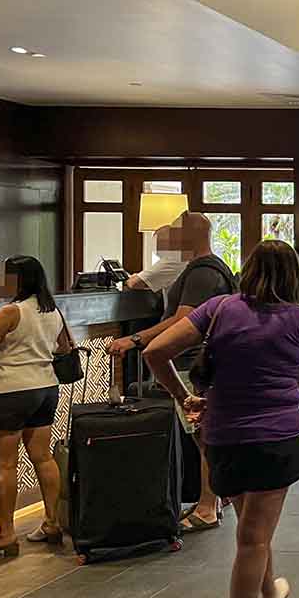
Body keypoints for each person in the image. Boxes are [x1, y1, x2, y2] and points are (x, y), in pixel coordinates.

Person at [145, 240, 299, 598]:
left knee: (252, 528)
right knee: (252, 538)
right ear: (294, 276)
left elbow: (155, 351)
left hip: (222, 438)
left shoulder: (218, 308)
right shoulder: (297, 317)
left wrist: (183, 396)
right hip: (275, 437)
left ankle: (271, 596)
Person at [107, 212, 236, 533]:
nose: (169, 237)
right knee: (205, 434)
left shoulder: (202, 274)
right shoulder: (211, 269)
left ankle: (208, 505)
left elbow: (182, 321)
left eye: (176, 231)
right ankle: (216, 497)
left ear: (191, 235)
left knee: (203, 435)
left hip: (189, 364)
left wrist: (135, 339)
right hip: (201, 362)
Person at [0, 256, 71, 557]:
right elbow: (64, 348)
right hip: (46, 388)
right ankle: (51, 523)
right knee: (43, 458)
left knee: (6, 464)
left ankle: (6, 536)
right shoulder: (51, 309)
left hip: (11, 391)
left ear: (18, 281)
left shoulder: (11, 311)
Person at [123, 222, 188, 306]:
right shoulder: (185, 257)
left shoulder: (173, 259)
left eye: (157, 242)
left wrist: (133, 277)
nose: (156, 246)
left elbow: (135, 283)